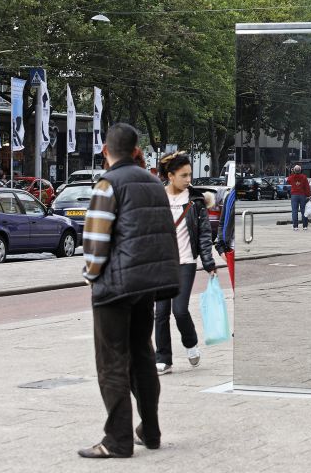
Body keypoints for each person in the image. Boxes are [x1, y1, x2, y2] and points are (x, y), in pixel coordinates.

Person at [78, 123, 180, 459]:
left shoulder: (107, 185)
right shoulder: (154, 184)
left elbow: (95, 241)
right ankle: (150, 430)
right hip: (145, 285)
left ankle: (117, 440)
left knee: (112, 362)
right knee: (142, 355)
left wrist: (92, 276)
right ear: (137, 151)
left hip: (114, 286)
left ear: (106, 151)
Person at [154, 152, 217, 375]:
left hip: (186, 262)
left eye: (190, 174)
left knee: (179, 310)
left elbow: (204, 235)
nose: (189, 179)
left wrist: (209, 263)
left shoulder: (196, 201)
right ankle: (163, 359)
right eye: (184, 175)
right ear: (170, 176)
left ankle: (190, 344)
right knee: (160, 313)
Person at [287, 165, 311, 231]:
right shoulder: (304, 177)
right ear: (300, 170)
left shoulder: (292, 177)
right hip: (302, 195)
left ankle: (295, 226)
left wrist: (292, 173)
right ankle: (305, 226)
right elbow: (307, 187)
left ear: (294, 170)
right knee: (303, 211)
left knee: (294, 211)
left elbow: (288, 180)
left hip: (294, 195)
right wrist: (308, 195)